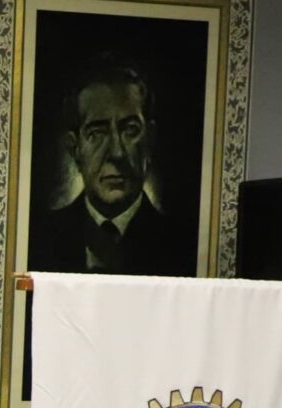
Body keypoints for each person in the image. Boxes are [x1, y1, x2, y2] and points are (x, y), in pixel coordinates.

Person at [30, 54, 197, 277]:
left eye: (130, 130)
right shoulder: (38, 240)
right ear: (75, 148)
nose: (116, 152)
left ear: (150, 140)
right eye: (97, 133)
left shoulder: (185, 248)